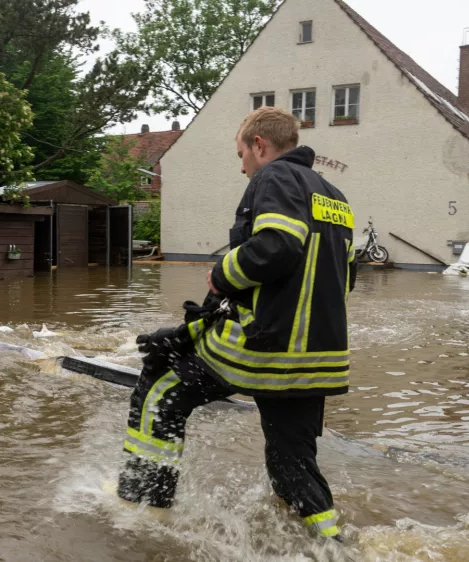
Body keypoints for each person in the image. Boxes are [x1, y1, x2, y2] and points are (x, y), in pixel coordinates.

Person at [114, 106, 357, 542]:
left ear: (259, 145)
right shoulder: (334, 196)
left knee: (160, 389)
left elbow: (278, 245)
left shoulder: (275, 177)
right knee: (293, 459)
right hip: (320, 358)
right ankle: (329, 543)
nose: (242, 166)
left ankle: (143, 513)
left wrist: (223, 273)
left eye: (241, 153)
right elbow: (349, 277)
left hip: (266, 345)